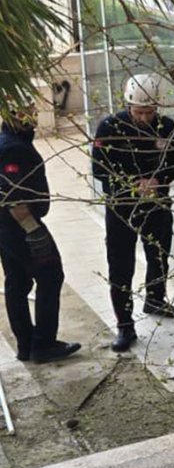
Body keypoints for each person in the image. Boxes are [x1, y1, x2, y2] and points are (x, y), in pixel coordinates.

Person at [92, 74, 174, 352]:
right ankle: (124, 325)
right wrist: (132, 183)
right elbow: (100, 169)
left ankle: (156, 299)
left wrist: (158, 180)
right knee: (121, 266)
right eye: (139, 112)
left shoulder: (166, 127)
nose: (144, 117)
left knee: (159, 254)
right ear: (129, 106)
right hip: (122, 206)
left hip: (157, 203)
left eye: (149, 112)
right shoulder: (110, 127)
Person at [0, 102, 80, 363]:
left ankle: (26, 345)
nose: (33, 115)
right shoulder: (13, 148)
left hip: (7, 230)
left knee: (17, 282)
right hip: (21, 227)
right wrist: (32, 230)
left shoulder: (10, 142)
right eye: (28, 111)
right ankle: (42, 345)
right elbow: (12, 196)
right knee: (50, 275)